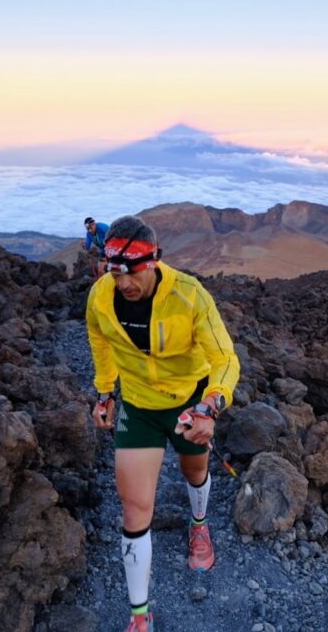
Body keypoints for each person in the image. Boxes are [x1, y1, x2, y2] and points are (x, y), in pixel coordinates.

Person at [85, 215, 240, 632]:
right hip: (138, 405)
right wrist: (104, 392)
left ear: (153, 262)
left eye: (131, 273)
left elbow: (225, 358)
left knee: (195, 472)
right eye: (114, 273)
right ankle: (140, 616)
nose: (123, 284)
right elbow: (99, 340)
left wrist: (211, 405)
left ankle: (199, 525)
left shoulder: (190, 296)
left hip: (189, 401)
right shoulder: (101, 296)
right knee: (134, 507)